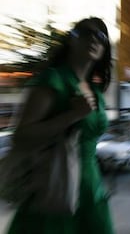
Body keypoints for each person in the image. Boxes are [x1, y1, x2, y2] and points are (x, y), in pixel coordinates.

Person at [6, 17, 114, 233]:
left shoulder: (95, 92)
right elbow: (21, 137)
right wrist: (72, 115)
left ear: (104, 50)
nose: (93, 38)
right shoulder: (53, 80)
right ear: (71, 41)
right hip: (55, 186)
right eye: (84, 32)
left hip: (91, 188)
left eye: (100, 36)